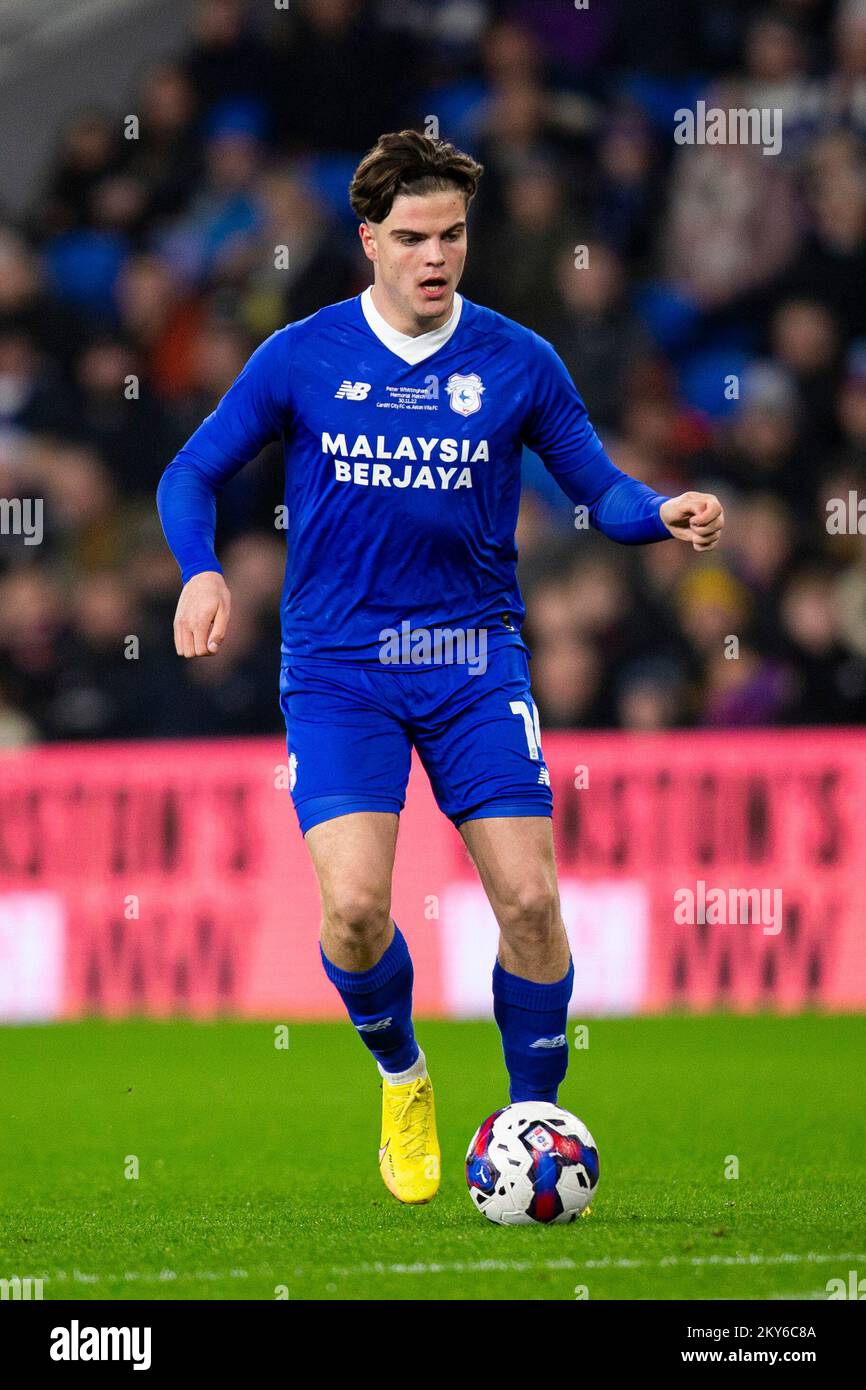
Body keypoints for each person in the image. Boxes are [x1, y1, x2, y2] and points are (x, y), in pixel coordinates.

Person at [157, 130, 724, 1206]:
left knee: (528, 901)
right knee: (358, 913)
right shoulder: (301, 356)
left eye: (452, 235)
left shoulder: (516, 359)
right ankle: (402, 1072)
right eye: (412, 236)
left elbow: (595, 488)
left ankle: (532, 1117)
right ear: (367, 240)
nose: (435, 256)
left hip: (472, 661)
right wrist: (199, 571)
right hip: (338, 670)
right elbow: (193, 469)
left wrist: (659, 510)